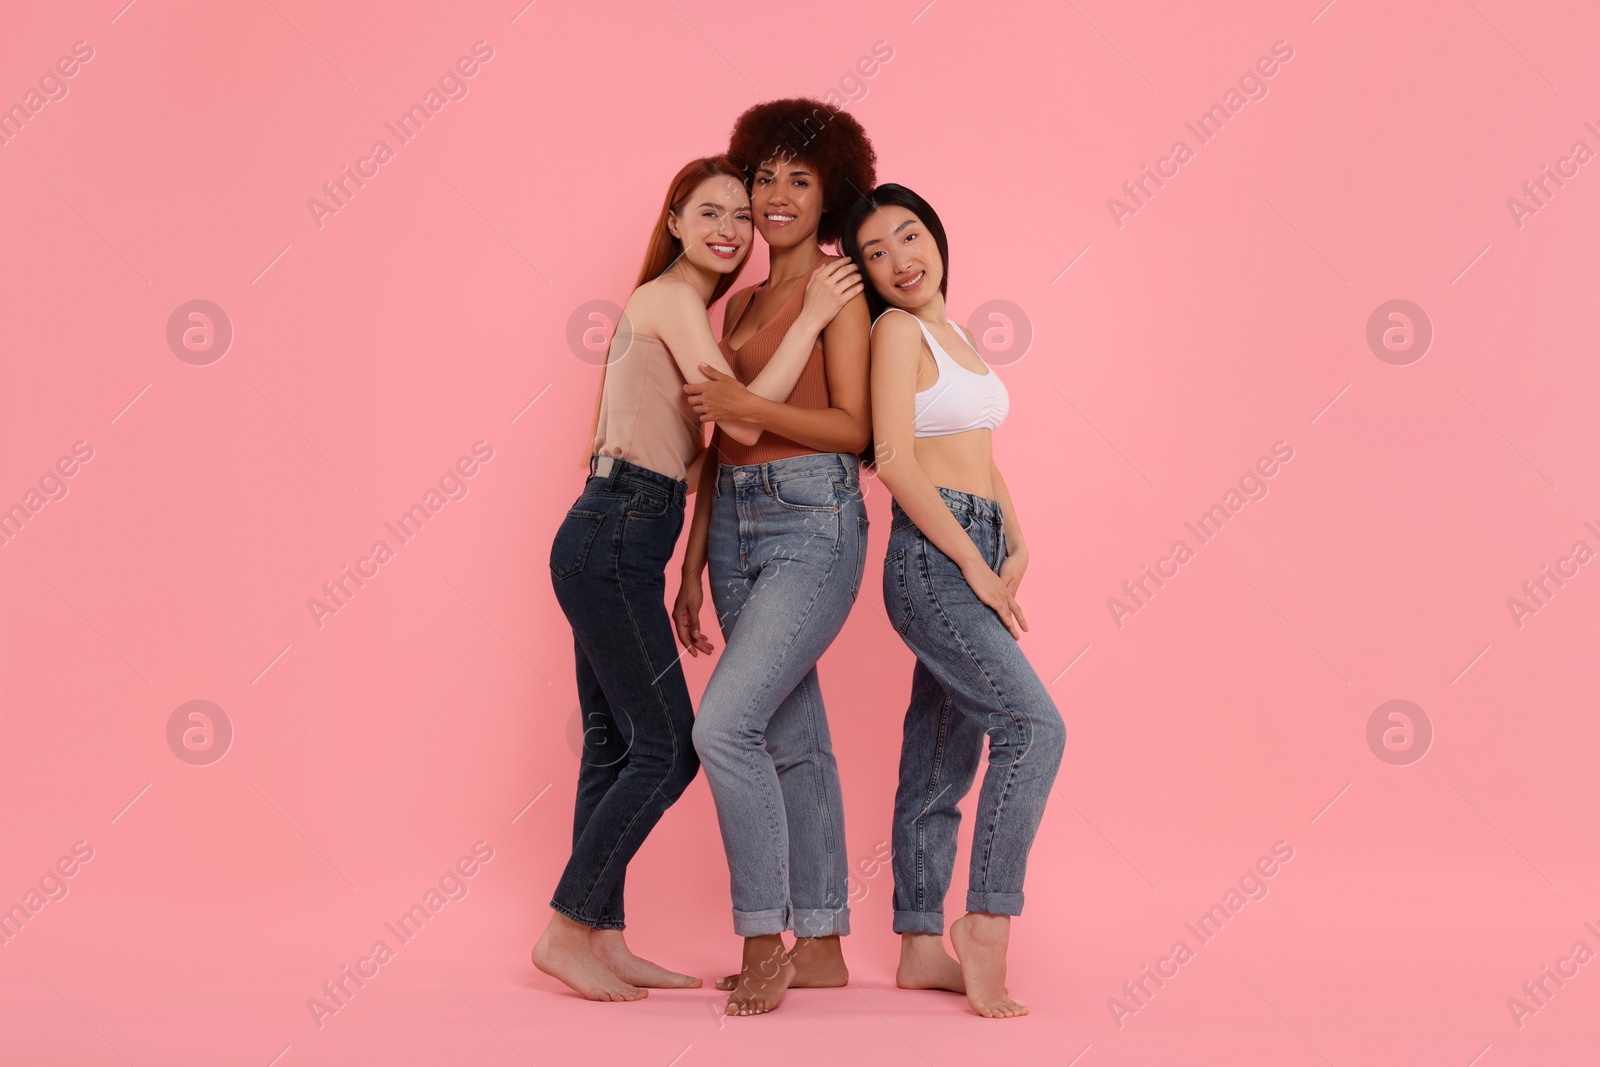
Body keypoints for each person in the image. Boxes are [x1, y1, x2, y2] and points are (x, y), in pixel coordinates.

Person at [532, 155, 861, 1002]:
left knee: (613, 743)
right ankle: (568, 926)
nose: (730, 229)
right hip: (617, 528)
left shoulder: (686, 310)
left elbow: (721, 433)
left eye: (738, 217)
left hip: (624, 527)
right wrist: (814, 314)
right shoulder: (677, 301)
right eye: (709, 212)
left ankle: (602, 937)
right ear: (673, 219)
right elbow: (742, 422)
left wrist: (683, 567)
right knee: (670, 747)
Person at [841, 183, 1067, 1019]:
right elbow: (897, 457)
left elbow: (981, 453)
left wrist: (1019, 537)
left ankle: (916, 946)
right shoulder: (895, 331)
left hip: (975, 539)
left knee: (940, 755)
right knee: (1033, 726)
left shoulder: (958, 334)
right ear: (866, 273)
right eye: (875, 252)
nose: (900, 259)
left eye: (909, 235)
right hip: (931, 557)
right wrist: (973, 560)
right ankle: (987, 926)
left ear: (937, 237)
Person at [671, 98, 876, 1016]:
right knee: (790, 732)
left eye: (800, 179)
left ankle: (763, 935)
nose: (778, 194)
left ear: (829, 192)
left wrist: (750, 408)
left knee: (723, 727)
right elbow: (717, 441)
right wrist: (688, 563)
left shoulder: (839, 289)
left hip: (813, 519)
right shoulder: (743, 299)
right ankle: (823, 940)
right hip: (735, 532)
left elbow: (853, 427)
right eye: (765, 177)